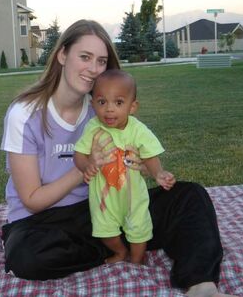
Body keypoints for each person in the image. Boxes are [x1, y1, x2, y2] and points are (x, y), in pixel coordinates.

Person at [0, 19, 229, 297]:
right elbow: (32, 201)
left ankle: (201, 285)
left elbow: (132, 152)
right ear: (62, 55)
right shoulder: (24, 114)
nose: (93, 69)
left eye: (101, 61)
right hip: (44, 223)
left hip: (104, 205)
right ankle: (126, 244)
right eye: (84, 57)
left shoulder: (104, 106)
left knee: (189, 196)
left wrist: (142, 167)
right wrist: (86, 167)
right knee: (27, 257)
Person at [74, 68, 175, 265]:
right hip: (104, 198)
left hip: (133, 196)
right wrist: (87, 166)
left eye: (118, 102)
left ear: (132, 106)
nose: (109, 109)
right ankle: (120, 252)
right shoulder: (93, 128)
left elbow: (150, 156)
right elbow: (79, 154)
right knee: (105, 231)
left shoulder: (138, 130)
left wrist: (159, 173)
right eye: (102, 102)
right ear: (93, 103)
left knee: (139, 230)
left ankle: (136, 261)